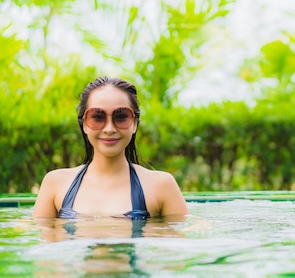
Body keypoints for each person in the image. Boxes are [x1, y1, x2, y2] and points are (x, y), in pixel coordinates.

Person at [32, 76, 189, 219]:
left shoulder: (161, 186)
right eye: (97, 117)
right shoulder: (55, 183)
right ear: (84, 124)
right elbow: (42, 244)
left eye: (121, 117)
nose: (109, 129)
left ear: (134, 124)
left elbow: (180, 243)